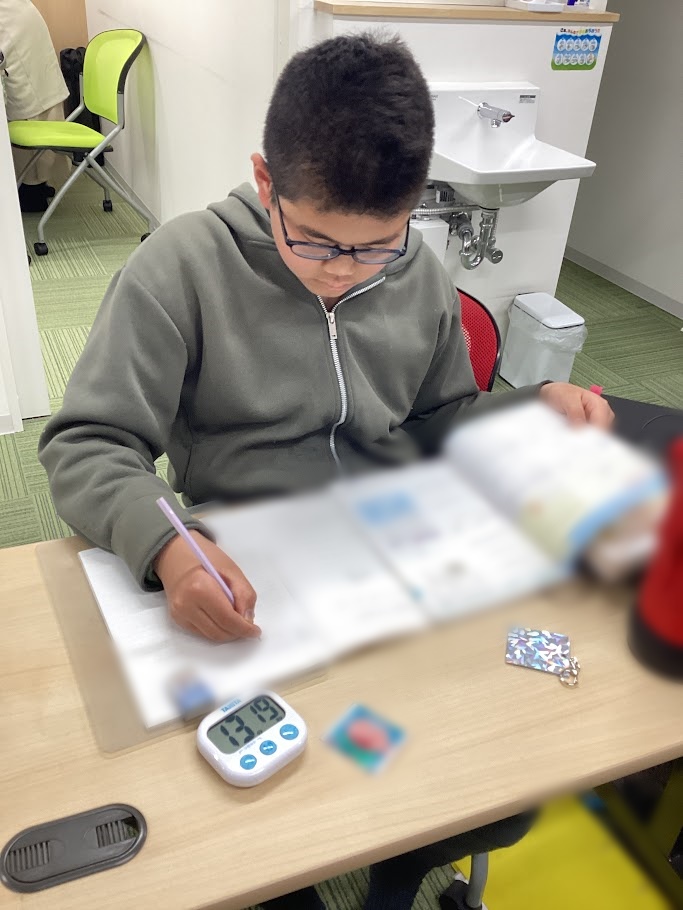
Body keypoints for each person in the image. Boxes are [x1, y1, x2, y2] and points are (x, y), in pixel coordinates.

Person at [39, 33, 613, 909]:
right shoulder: (180, 268)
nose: (343, 274)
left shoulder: (417, 273)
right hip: (251, 575)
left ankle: (399, 869)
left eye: (377, 245)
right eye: (314, 242)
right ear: (265, 182)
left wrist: (532, 408)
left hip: (394, 558)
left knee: (500, 785)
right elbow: (87, 442)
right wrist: (167, 543)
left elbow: (440, 420)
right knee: (259, 830)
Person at [0, 0, 69, 211]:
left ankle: (32, 188)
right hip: (17, 23)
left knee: (29, 106)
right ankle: (36, 183)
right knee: (34, 100)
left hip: (14, 29)